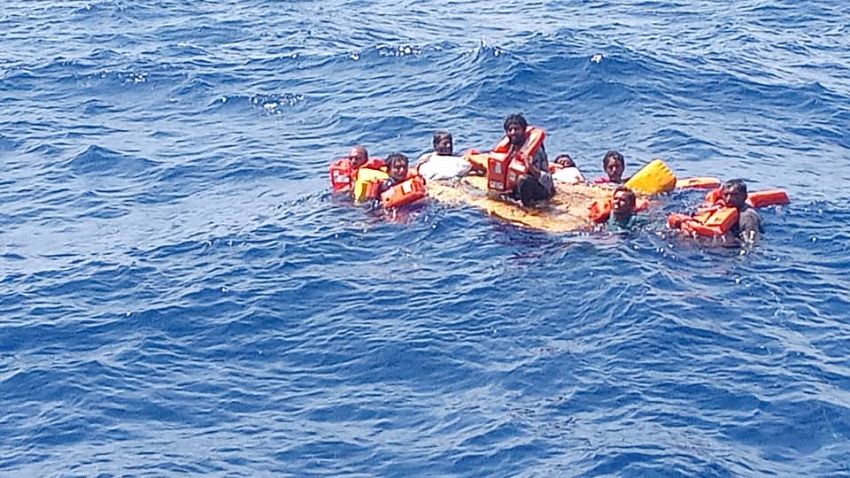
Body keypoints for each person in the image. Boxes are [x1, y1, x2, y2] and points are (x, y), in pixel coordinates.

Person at [502, 114, 555, 207]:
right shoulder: (509, 149)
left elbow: (547, 180)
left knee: (523, 180)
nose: (513, 132)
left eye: (516, 129)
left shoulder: (536, 151)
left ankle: (528, 207)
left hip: (540, 190)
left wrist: (531, 167)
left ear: (523, 130)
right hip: (515, 189)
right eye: (510, 130)